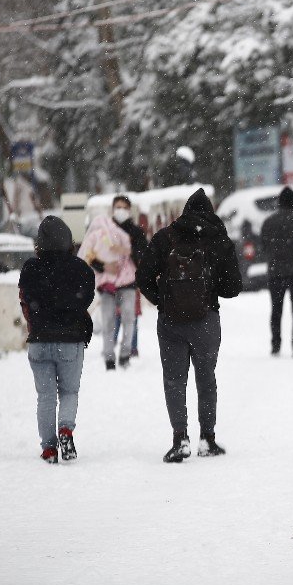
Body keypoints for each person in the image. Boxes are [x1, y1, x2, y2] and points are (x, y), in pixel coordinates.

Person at [137, 188, 243, 463]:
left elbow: (143, 276)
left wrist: (163, 300)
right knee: (206, 379)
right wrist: (208, 290)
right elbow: (234, 287)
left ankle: (180, 438)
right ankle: (207, 439)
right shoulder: (217, 238)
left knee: (174, 381)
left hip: (170, 323)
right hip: (206, 321)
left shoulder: (166, 237)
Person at [19, 216, 95, 464]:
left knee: (46, 396)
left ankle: (49, 448)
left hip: (39, 341)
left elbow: (25, 302)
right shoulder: (81, 269)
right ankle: (65, 430)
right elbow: (86, 298)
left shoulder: (30, 269)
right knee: (69, 392)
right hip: (71, 341)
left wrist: (38, 323)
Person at [79, 214, 138, 370]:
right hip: (107, 284)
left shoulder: (122, 234)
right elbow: (87, 257)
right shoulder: (95, 238)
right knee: (111, 321)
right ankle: (111, 358)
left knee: (126, 319)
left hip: (126, 282)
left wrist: (122, 250)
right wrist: (104, 266)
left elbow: (134, 250)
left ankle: (123, 356)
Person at [260, 186, 293, 358]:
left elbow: (264, 246)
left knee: (276, 309)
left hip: (275, 272)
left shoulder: (268, 222)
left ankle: (275, 344)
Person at [109, 195, 148, 357]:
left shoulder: (136, 232)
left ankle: (132, 348)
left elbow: (143, 254)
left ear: (129, 210)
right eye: (118, 207)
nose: (121, 211)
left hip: (130, 280)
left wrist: (129, 251)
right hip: (110, 280)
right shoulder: (106, 230)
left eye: (124, 208)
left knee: (130, 315)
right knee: (112, 316)